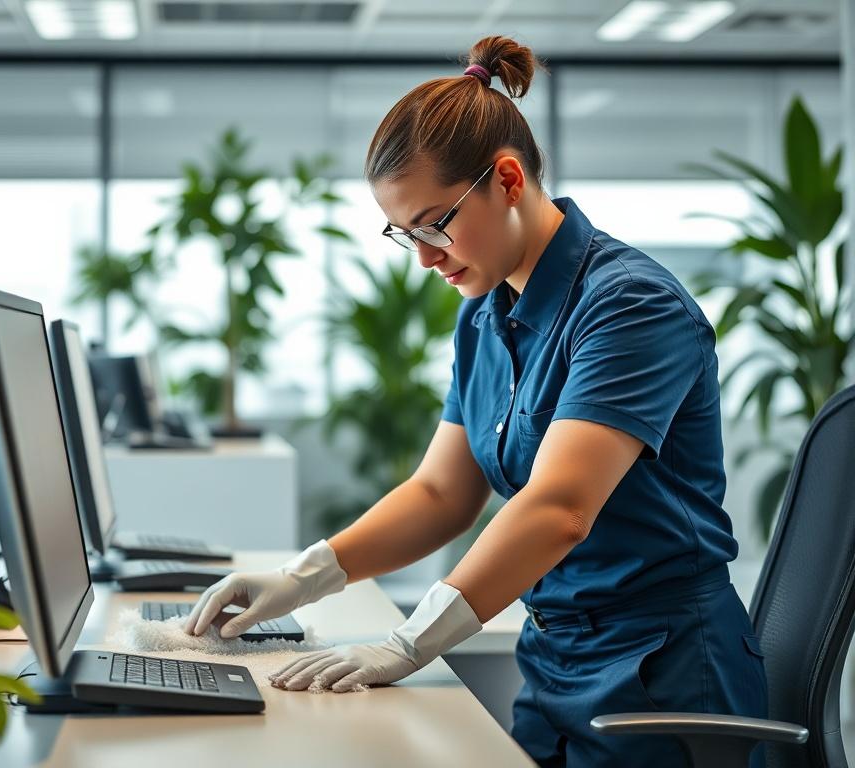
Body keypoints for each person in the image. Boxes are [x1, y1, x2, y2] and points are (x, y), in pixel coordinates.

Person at [185, 34, 768, 767]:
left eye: (436, 223)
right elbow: (440, 493)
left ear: (508, 178)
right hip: (554, 663)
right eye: (405, 233)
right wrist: (301, 579)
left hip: (666, 676)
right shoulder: (485, 315)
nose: (425, 256)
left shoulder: (629, 306)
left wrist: (407, 643)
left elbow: (559, 509)